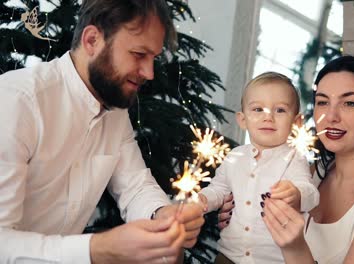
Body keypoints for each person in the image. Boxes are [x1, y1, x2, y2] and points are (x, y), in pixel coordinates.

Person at [0, 0, 204, 263]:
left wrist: (162, 214)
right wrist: (98, 249)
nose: (150, 73)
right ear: (92, 40)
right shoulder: (16, 102)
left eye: (153, 58)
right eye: (139, 54)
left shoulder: (114, 112)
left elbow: (135, 186)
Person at [220, 56, 354, 263]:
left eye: (349, 103)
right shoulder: (310, 173)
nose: (331, 116)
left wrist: (295, 248)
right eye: (322, 102)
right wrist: (243, 221)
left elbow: (292, 249)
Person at [198, 72, 319, 264]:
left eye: (279, 110)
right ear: (242, 119)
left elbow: (312, 195)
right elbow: (219, 189)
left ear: (296, 122)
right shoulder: (235, 156)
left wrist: (297, 194)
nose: (268, 117)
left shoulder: (294, 159)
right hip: (229, 256)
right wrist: (203, 199)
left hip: (273, 260)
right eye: (257, 109)